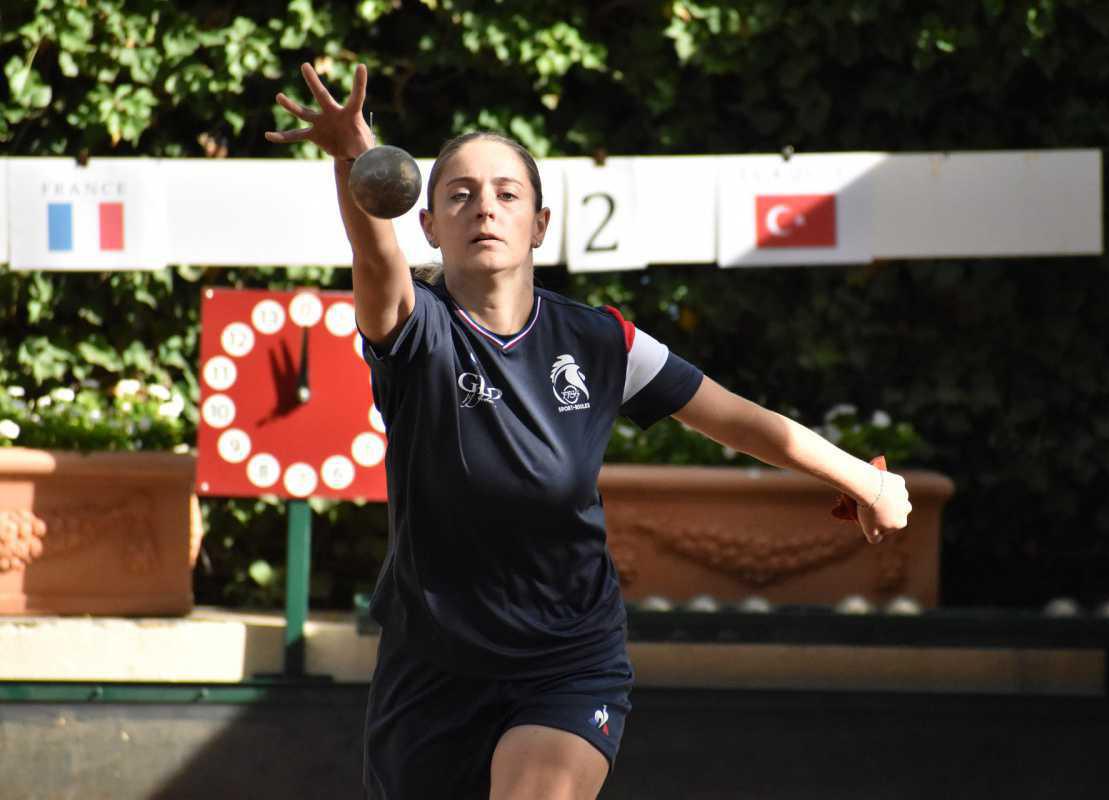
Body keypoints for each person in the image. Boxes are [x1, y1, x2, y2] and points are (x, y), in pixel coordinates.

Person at [266, 62, 911, 800]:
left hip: (565, 661)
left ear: (539, 225)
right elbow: (375, 258)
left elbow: (738, 419)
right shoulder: (417, 332)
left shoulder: (601, 341)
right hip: (431, 667)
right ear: (430, 226)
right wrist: (356, 158)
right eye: (461, 195)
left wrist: (865, 481)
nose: (485, 208)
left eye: (507, 194)